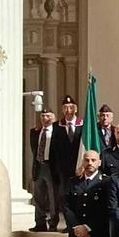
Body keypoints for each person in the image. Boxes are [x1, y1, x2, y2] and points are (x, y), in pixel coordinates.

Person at [52, 95, 84, 229]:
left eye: (71, 107)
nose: (68, 110)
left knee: (79, 196)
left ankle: (79, 222)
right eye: (65, 107)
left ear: (75, 109)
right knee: (65, 197)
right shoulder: (57, 126)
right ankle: (68, 224)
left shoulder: (83, 125)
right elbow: (54, 149)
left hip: (79, 168)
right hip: (63, 170)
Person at [29, 108, 59, 232]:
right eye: (43, 116)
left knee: (53, 197)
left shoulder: (57, 132)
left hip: (51, 167)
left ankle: (53, 223)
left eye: (48, 116)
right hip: (39, 166)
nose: (45, 118)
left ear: (54, 117)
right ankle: (40, 223)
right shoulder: (35, 132)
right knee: (38, 196)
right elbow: (34, 149)